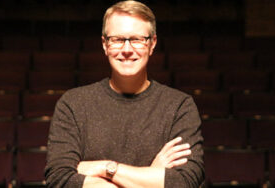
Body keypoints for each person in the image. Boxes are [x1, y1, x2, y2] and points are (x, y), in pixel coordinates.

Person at [45, 1, 204, 187]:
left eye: (137, 39)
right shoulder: (73, 104)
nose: (127, 50)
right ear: (105, 44)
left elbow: (185, 182)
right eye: (118, 40)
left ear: (152, 44)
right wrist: (152, 176)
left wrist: (106, 168)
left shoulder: (180, 107)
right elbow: (59, 179)